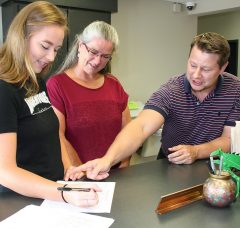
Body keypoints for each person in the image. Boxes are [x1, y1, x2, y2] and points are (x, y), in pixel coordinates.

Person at [66, 32, 240, 180]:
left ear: (223, 67)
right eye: (192, 65)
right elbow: (141, 126)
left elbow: (229, 140)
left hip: (216, 166)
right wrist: (108, 160)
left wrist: (196, 152)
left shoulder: (235, 90)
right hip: (171, 164)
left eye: (206, 69)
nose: (196, 75)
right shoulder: (172, 90)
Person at [0, 1, 100, 207]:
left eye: (55, 49)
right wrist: (63, 193)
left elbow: (52, 134)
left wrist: (68, 169)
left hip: (51, 194)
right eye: (45, 46)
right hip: (20, 204)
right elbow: (4, 171)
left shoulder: (36, 80)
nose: (51, 57)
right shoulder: (3, 89)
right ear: (22, 37)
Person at [46, 21, 131, 168]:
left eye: (105, 56)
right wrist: (82, 174)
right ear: (80, 45)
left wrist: (124, 167)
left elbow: (128, 132)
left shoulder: (114, 84)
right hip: (79, 177)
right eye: (93, 52)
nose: (98, 61)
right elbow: (57, 136)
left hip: (117, 176)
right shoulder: (57, 85)